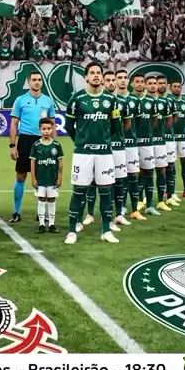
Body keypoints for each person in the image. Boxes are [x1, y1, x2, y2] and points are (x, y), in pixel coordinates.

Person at [65, 61, 119, 245]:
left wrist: (103, 139)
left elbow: (115, 126)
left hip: (104, 153)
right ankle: (72, 231)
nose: (96, 75)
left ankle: (106, 231)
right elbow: (68, 126)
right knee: (78, 191)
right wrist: (81, 141)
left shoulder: (111, 100)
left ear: (102, 77)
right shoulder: (77, 99)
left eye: (98, 73)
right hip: (83, 153)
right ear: (86, 77)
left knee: (105, 192)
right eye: (92, 73)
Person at [9, 72, 56, 223]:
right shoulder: (21, 100)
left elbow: (53, 124)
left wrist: (55, 144)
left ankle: (41, 213)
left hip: (43, 141)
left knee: (43, 178)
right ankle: (17, 211)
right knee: (21, 176)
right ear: (28, 82)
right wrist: (12, 145)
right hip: (25, 140)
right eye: (34, 80)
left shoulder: (48, 101)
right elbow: (14, 123)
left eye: (39, 80)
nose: (37, 82)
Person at [115, 68, 145, 221]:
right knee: (118, 178)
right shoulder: (112, 100)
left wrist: (131, 135)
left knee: (133, 175)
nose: (122, 80)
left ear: (128, 81)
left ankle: (135, 209)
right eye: (119, 77)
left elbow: (137, 123)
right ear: (115, 80)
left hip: (131, 143)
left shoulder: (135, 100)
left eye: (124, 77)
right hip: (116, 144)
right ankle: (120, 207)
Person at [131, 74, 161, 217]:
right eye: (137, 82)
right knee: (131, 175)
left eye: (142, 82)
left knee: (148, 173)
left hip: (147, 143)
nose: (140, 84)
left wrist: (147, 132)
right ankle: (134, 203)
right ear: (132, 84)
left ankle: (149, 205)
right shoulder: (128, 100)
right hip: (131, 143)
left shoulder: (151, 101)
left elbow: (154, 120)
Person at [103, 71, 130, 229]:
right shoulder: (100, 100)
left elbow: (127, 123)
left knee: (119, 181)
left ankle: (119, 214)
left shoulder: (122, 102)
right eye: (108, 80)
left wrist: (118, 135)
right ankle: (91, 214)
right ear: (103, 82)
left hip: (119, 147)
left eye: (113, 80)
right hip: (103, 147)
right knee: (100, 183)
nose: (111, 83)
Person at [30, 116, 63, 234]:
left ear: (52, 129)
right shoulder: (36, 145)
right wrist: (33, 178)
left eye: (49, 128)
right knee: (41, 199)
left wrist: (60, 177)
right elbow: (32, 162)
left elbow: (60, 162)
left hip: (52, 179)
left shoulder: (56, 145)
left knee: (52, 199)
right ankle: (42, 224)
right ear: (40, 129)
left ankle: (52, 224)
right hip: (40, 179)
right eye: (44, 129)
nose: (46, 131)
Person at [145, 75, 172, 213]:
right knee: (145, 171)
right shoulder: (142, 101)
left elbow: (169, 120)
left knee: (161, 170)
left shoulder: (164, 102)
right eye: (150, 83)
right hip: (146, 142)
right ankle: (143, 200)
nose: (153, 85)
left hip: (160, 142)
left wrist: (161, 132)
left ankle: (161, 201)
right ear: (146, 85)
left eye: (154, 83)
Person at [156, 75, 181, 207]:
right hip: (154, 139)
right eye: (159, 83)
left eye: (163, 83)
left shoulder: (171, 100)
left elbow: (174, 117)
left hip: (169, 138)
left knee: (170, 166)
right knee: (148, 169)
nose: (161, 85)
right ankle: (144, 198)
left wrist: (166, 129)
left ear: (166, 85)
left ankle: (170, 195)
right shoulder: (150, 100)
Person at [170, 79, 185, 198]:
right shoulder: (167, 102)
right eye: (174, 86)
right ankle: (170, 191)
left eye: (179, 86)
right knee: (170, 164)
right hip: (170, 138)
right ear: (170, 88)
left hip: (183, 138)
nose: (177, 88)